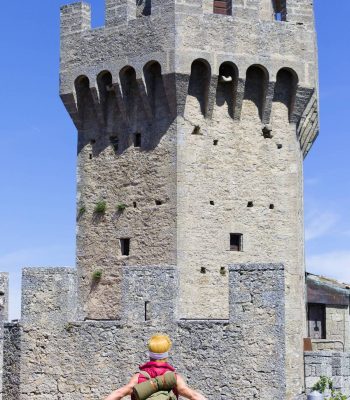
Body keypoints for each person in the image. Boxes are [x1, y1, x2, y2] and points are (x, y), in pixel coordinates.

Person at [104, 334, 208, 400]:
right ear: (166, 354)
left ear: (150, 354)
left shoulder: (139, 377)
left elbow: (119, 393)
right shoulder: (174, 378)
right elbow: (193, 396)